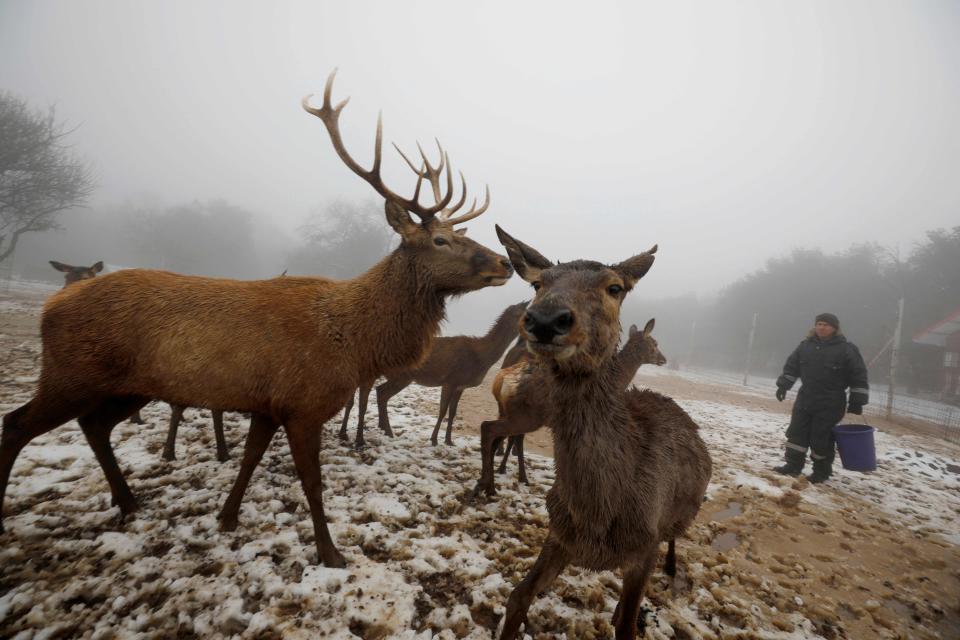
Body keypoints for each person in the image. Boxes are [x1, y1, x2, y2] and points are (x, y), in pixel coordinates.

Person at [774, 313, 869, 483]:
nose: (821, 327)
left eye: (826, 324)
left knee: (822, 438)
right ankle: (793, 465)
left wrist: (857, 401)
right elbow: (791, 368)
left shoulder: (847, 349)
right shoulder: (805, 346)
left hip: (831, 401)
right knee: (797, 434)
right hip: (805, 398)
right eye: (819, 324)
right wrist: (783, 386)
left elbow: (858, 376)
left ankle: (821, 472)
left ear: (834, 328)